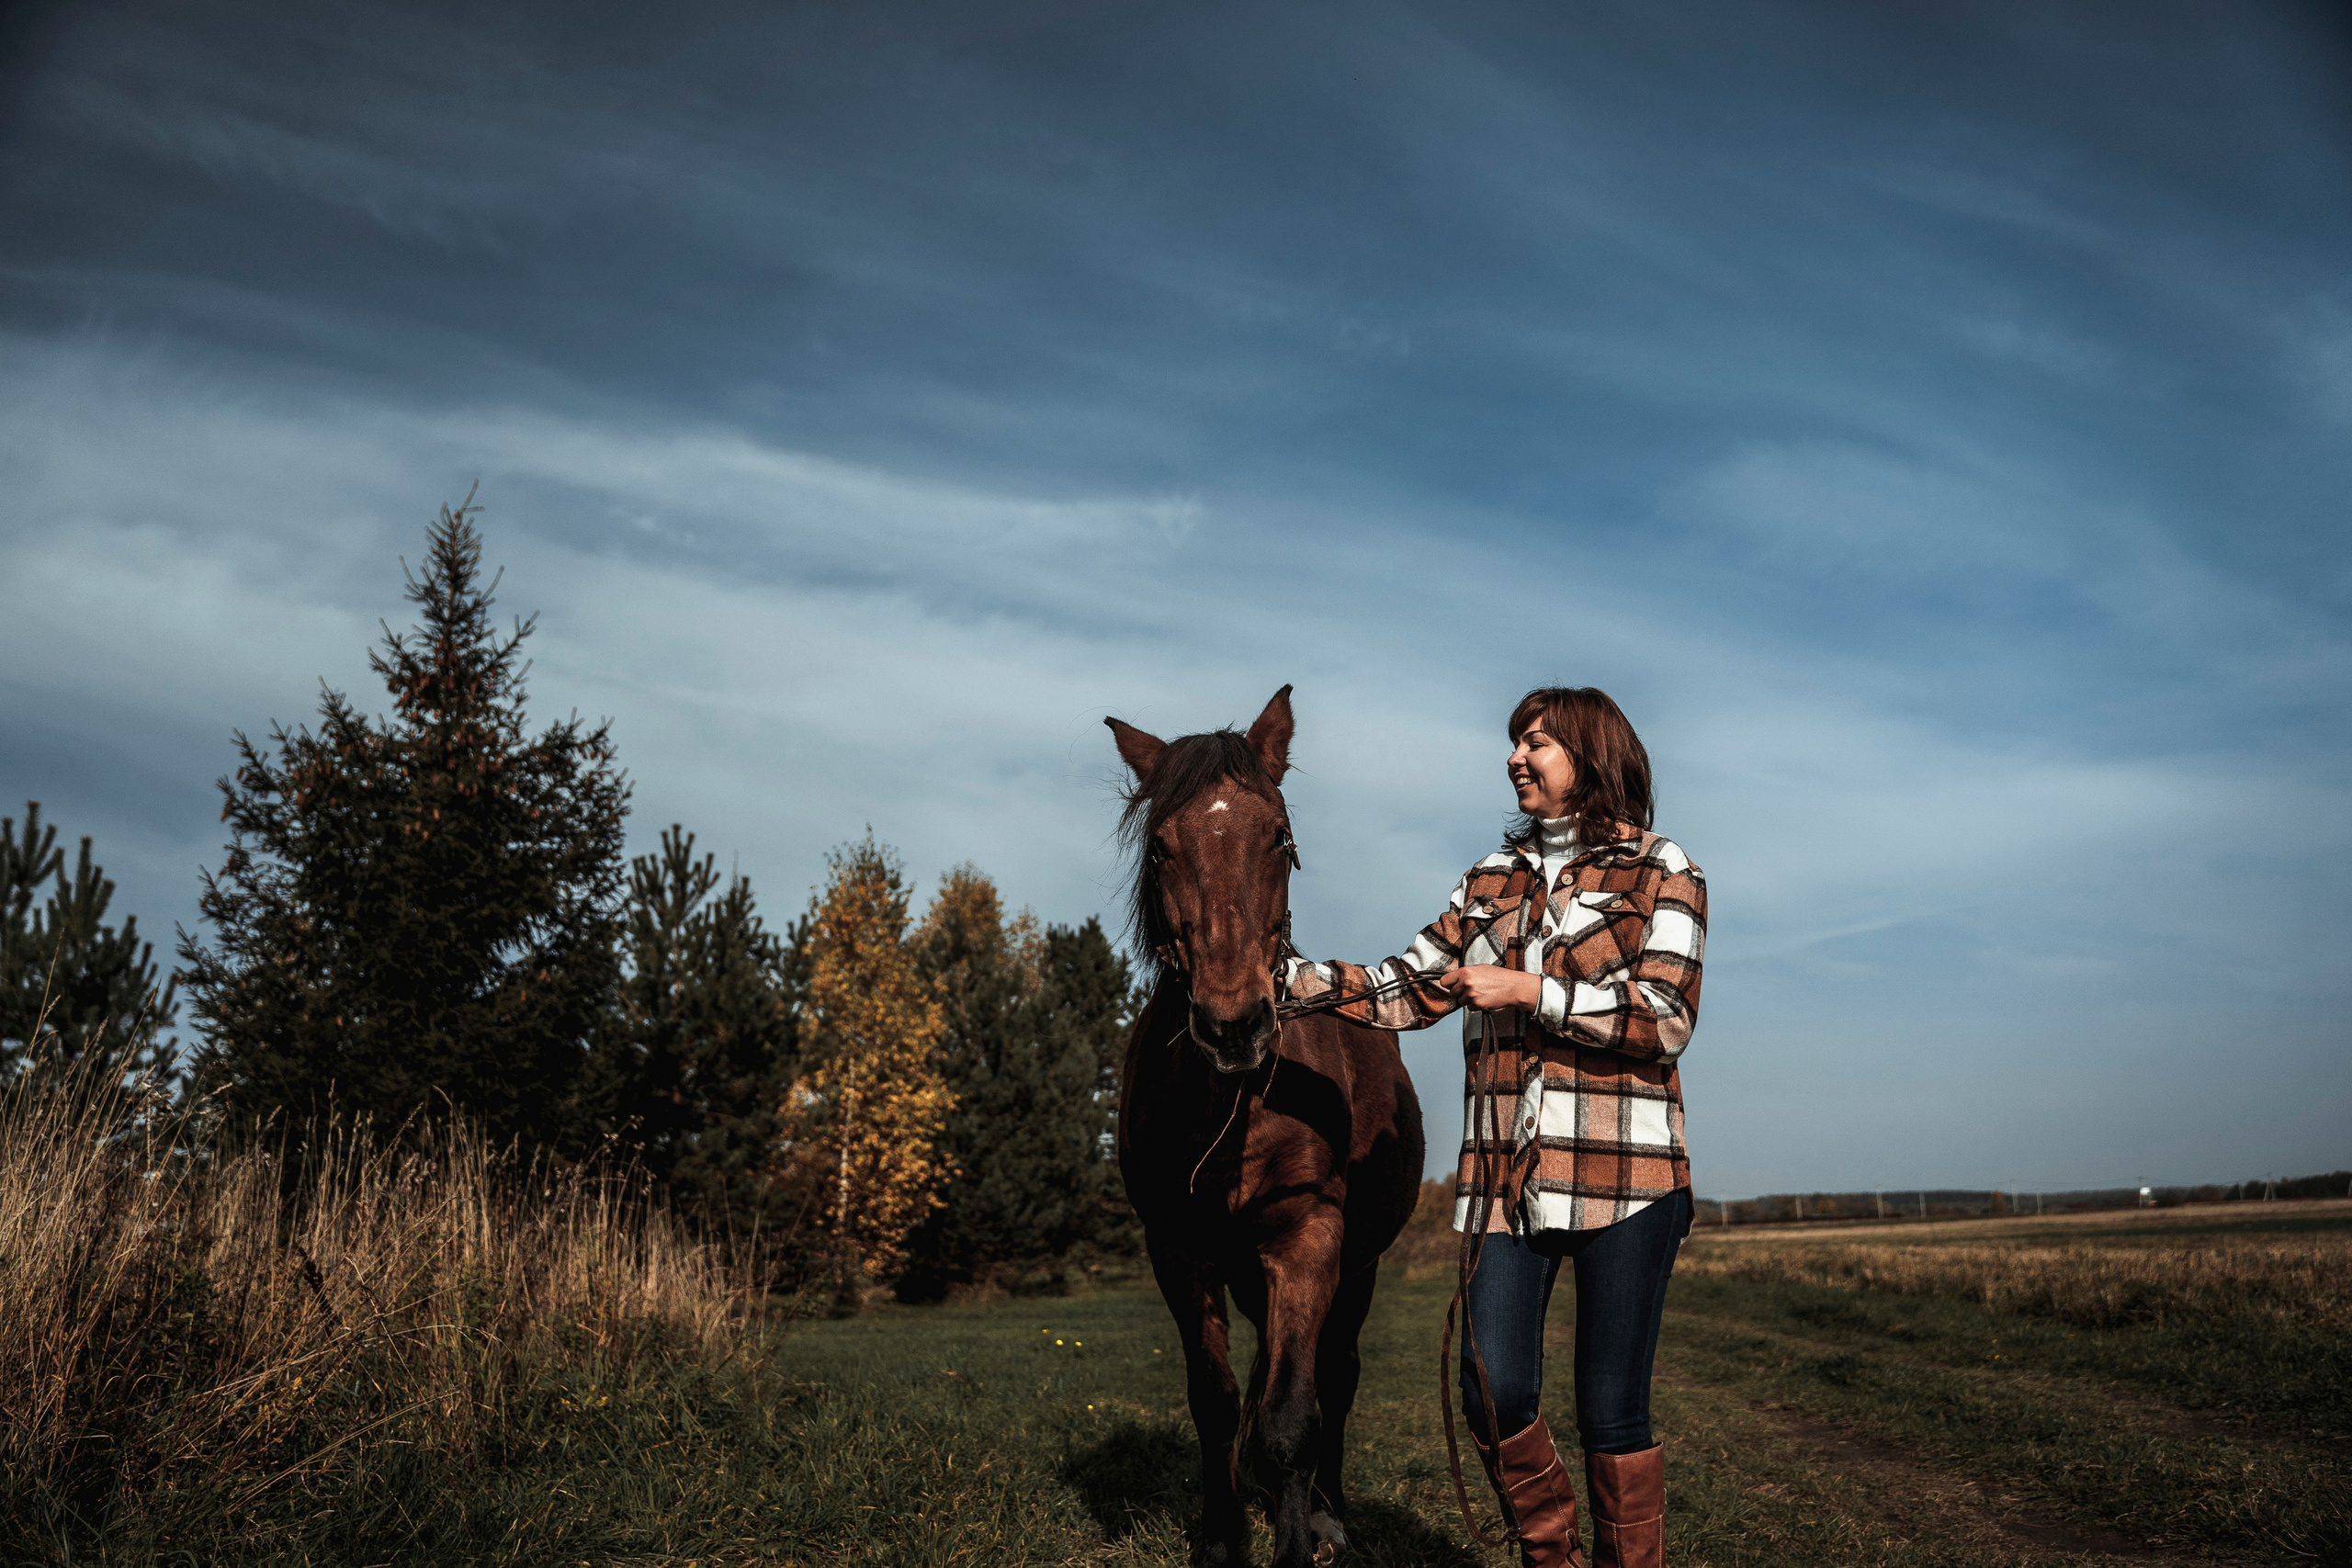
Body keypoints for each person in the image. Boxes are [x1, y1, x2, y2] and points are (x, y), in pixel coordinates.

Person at [1280, 686, 1706, 1568]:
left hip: (1629, 1180)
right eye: (1515, 742)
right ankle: (1554, 1558)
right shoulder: (1486, 880)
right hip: (1501, 1188)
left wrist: (1531, 990)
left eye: (1538, 742)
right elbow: (1407, 985)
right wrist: (1288, 980)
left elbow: (1664, 1018)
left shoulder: (1663, 868)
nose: (1517, 756)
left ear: (1590, 754)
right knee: (1490, 1387)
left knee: (1611, 1407)